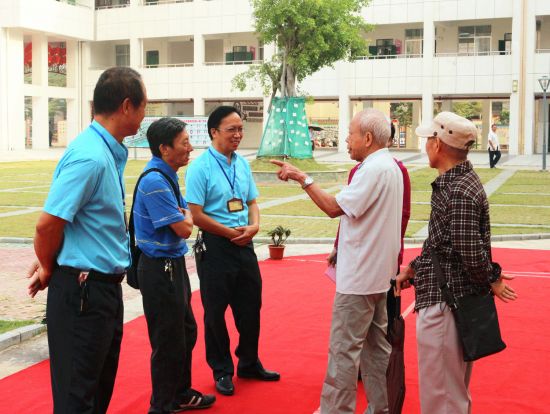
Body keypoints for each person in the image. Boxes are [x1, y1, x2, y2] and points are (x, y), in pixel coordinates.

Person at [27, 67, 147, 414]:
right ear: (127, 106)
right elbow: (47, 226)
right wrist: (49, 266)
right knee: (77, 398)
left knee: (95, 392)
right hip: (83, 293)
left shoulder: (107, 152)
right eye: (143, 107)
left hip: (100, 290)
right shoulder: (90, 157)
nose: (144, 116)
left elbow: (75, 222)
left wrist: (57, 254)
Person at [272, 108, 403, 414]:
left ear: (368, 138)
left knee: (344, 352)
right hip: (378, 274)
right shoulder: (390, 166)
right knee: (376, 349)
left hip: (360, 279)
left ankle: (336, 410)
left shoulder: (374, 169)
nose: (346, 139)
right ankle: (380, 408)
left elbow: (334, 207)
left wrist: (303, 178)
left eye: (351, 133)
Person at [396, 112, 517, 414]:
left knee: (443, 397)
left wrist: (493, 277)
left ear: (438, 144)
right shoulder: (455, 182)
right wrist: (414, 268)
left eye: (427, 140)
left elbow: (470, 252)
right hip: (450, 300)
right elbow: (441, 241)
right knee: (450, 391)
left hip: (447, 304)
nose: (424, 145)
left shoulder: (459, 190)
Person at [184, 105, 280, 397]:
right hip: (216, 247)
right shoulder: (200, 167)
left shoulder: (241, 164)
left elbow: (251, 202)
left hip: (244, 244)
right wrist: (228, 234)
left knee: (251, 308)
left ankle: (249, 362)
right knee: (215, 313)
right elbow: (196, 214)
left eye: (241, 129)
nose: (238, 135)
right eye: (231, 130)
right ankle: (222, 370)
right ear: (214, 132)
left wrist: (255, 227)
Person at [133, 118, 215, 413]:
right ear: (164, 148)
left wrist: (186, 216)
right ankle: (162, 405)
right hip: (159, 269)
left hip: (172, 266)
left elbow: (186, 213)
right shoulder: (155, 180)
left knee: (185, 332)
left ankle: (179, 394)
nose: (190, 148)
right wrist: (186, 217)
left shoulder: (167, 175)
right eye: (184, 143)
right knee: (168, 340)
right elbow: (184, 228)